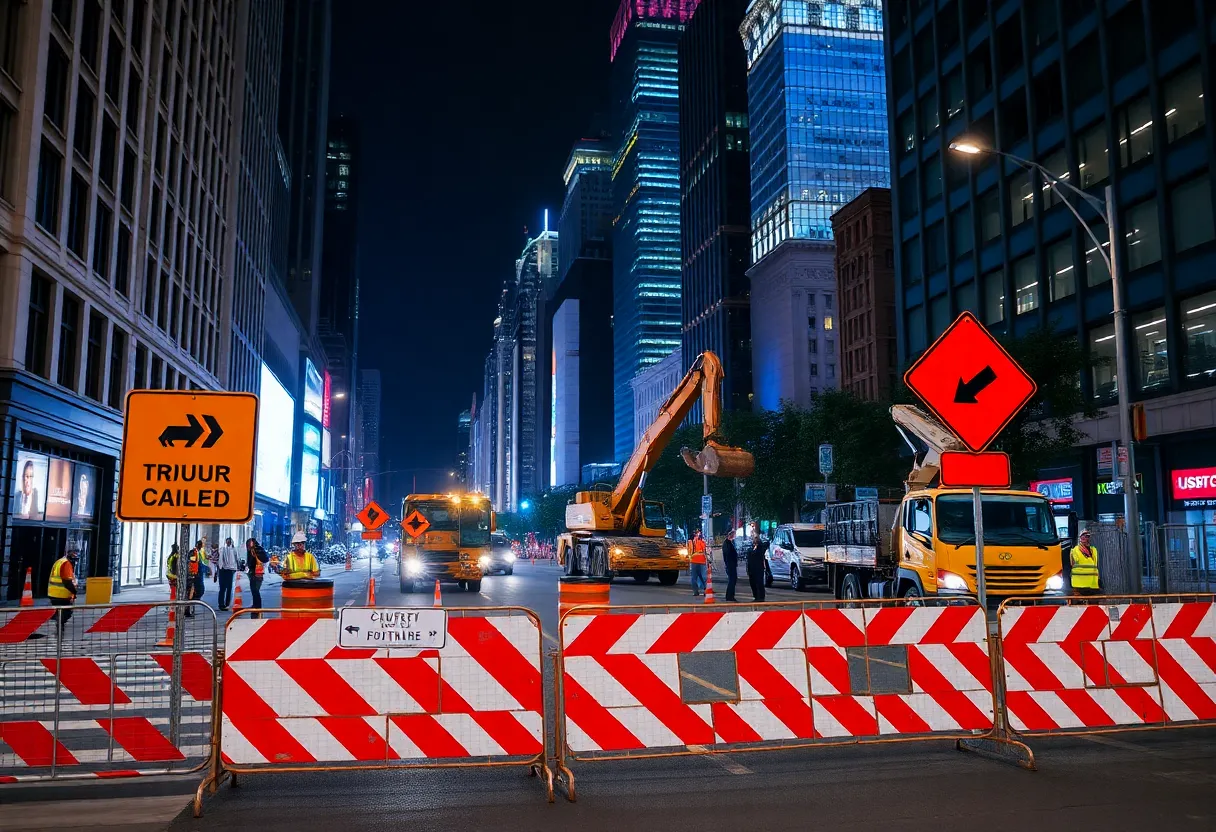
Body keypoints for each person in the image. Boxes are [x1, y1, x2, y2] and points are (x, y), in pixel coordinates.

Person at [48, 548, 80, 637]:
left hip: (54, 593)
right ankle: (59, 630)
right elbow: (67, 582)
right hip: (61, 595)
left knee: (61, 613)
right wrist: (74, 591)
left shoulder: (60, 561)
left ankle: (59, 629)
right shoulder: (66, 564)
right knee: (66, 613)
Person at [1070, 529, 1100, 596]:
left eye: (1086, 536)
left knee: (1093, 604)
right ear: (1080, 538)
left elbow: (1095, 565)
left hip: (1092, 583)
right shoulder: (1075, 550)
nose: (1084, 538)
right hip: (1079, 584)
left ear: (1089, 538)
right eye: (1082, 536)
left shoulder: (1094, 550)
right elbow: (1072, 564)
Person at [244, 537, 269, 617]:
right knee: (255, 591)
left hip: (255, 573)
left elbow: (251, 562)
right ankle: (256, 606)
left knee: (255, 591)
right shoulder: (258, 549)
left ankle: (257, 607)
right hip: (258, 573)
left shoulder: (254, 550)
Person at [216, 537, 238, 610]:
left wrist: (237, 567)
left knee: (229, 588)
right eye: (227, 542)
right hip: (223, 570)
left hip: (230, 571)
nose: (228, 543)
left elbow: (237, 559)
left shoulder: (234, 550)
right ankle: (221, 605)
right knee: (222, 588)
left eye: (229, 542)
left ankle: (227, 604)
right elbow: (219, 560)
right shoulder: (222, 549)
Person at [747, 532, 768, 602]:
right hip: (751, 569)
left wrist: (758, 546)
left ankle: (761, 597)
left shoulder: (760, 548)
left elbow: (759, 552)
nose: (754, 539)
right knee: (752, 583)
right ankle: (756, 596)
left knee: (759, 583)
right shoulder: (751, 548)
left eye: (755, 538)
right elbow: (749, 556)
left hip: (758, 569)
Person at [722, 530, 739, 603]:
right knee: (732, 580)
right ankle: (730, 596)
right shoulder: (727, 543)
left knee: (733, 580)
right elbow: (728, 554)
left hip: (731, 564)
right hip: (730, 565)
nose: (734, 536)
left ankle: (730, 595)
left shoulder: (729, 543)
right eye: (734, 535)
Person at [689, 530, 708, 596]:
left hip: (696, 561)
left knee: (697, 577)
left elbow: (705, 550)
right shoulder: (694, 541)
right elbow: (705, 550)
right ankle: (702, 591)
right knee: (702, 577)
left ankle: (697, 591)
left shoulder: (693, 541)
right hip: (699, 561)